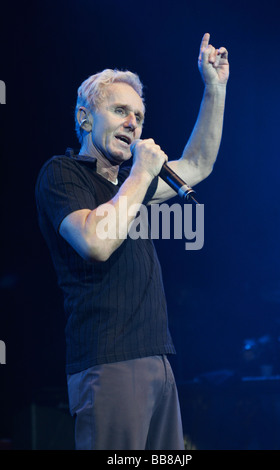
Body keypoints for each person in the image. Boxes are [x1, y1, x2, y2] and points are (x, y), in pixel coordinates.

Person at [35, 33, 229, 450]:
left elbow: (198, 163)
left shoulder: (128, 184)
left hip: (158, 361)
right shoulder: (62, 173)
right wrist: (141, 174)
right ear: (86, 118)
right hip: (109, 361)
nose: (133, 123)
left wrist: (215, 88)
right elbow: (96, 242)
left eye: (138, 116)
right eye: (120, 110)